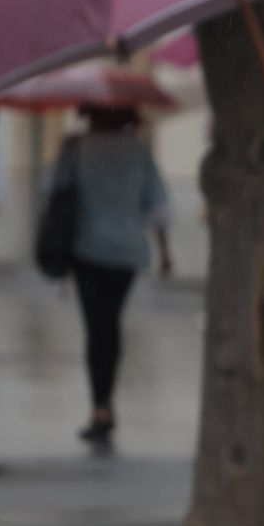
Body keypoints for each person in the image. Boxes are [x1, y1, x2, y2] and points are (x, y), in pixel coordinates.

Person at [60, 106, 172, 443]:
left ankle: (101, 407)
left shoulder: (76, 147)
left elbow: (52, 190)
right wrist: (165, 252)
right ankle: (106, 402)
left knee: (97, 327)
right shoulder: (138, 150)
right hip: (127, 252)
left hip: (87, 249)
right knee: (111, 323)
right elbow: (159, 202)